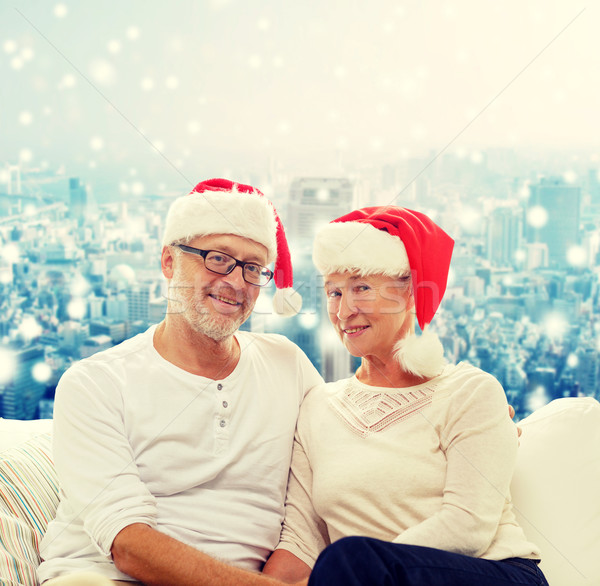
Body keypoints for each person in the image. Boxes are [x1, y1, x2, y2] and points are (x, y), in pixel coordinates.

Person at [38, 178, 323, 586]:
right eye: (218, 258)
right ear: (169, 262)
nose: (237, 282)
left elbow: (309, 508)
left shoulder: (288, 366)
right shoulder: (95, 383)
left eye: (253, 268)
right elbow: (127, 544)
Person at [263, 206, 548, 586]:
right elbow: (301, 542)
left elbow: (468, 527)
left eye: (361, 288)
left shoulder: (470, 391)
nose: (344, 310)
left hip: (492, 573)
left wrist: (361, 572)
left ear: (410, 294)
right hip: (360, 575)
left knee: (353, 559)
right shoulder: (317, 407)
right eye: (334, 292)